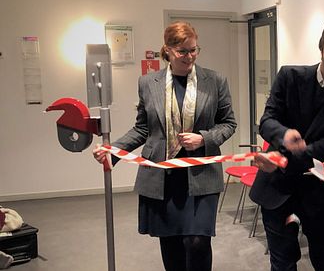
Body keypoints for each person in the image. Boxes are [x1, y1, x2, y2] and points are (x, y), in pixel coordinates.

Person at [93, 21, 236, 271]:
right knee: (170, 244)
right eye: (183, 51)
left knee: (197, 242)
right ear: (167, 50)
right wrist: (114, 150)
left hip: (201, 175)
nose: (189, 56)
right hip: (163, 177)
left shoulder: (214, 81)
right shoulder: (148, 83)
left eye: (194, 50)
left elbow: (228, 123)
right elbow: (143, 128)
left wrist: (203, 138)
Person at [249, 17, 324, 271]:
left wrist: (280, 161)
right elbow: (267, 121)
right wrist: (284, 134)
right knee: (282, 263)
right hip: (276, 190)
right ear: (322, 46)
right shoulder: (289, 76)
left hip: (317, 192)